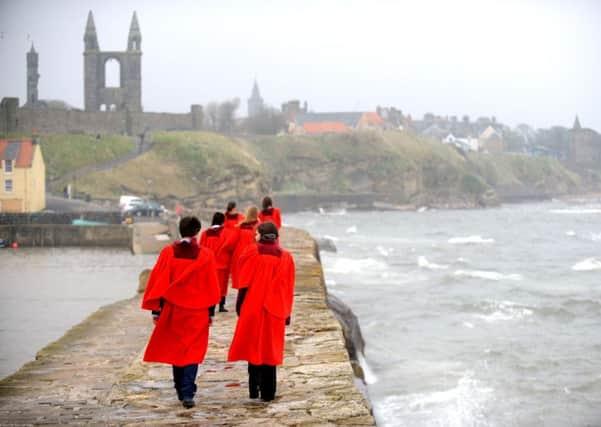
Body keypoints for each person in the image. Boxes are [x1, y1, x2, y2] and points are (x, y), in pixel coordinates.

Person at [141, 216, 221, 409]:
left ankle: (181, 389)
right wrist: (210, 312)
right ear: (197, 232)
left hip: (173, 309)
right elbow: (210, 286)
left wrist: (156, 311)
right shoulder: (206, 255)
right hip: (198, 310)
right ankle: (187, 392)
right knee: (192, 351)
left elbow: (159, 282)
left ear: (180, 230)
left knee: (177, 349)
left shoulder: (168, 253)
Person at [228, 222, 295, 401]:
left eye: (256, 234)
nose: (254, 236)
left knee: (253, 347)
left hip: (253, 306)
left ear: (262, 235)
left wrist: (239, 306)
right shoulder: (286, 257)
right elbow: (288, 288)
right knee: (270, 350)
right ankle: (268, 392)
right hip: (276, 309)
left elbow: (244, 283)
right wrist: (287, 312)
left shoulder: (252, 252)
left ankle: (253, 389)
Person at [200, 212, 237, 312]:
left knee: (209, 284)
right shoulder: (226, 232)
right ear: (222, 221)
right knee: (222, 285)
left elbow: (201, 248)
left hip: (208, 263)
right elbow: (230, 247)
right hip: (222, 262)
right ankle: (221, 305)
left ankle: (209, 304)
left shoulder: (205, 233)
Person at [230, 206, 260, 290]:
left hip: (240, 253)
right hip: (253, 253)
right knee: (251, 277)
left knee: (241, 277)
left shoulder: (240, 225)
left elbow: (232, 241)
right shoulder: (259, 226)